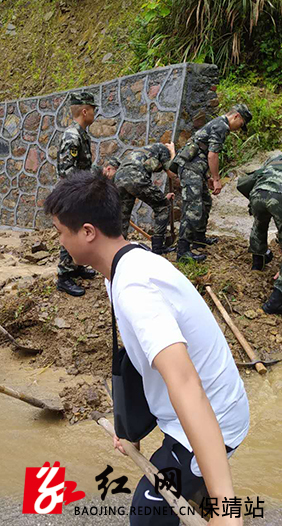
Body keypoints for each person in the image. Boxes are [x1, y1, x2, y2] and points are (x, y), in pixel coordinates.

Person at [44, 172, 249, 526]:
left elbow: (185, 383)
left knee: (147, 513)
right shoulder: (122, 266)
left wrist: (224, 507)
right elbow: (138, 361)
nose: (59, 241)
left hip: (212, 417)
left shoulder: (135, 287)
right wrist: (129, 428)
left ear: (88, 232)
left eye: (62, 232)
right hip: (191, 414)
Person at [172, 104, 252, 262]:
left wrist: (207, 176)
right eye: (241, 124)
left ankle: (199, 239)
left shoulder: (217, 124)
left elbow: (202, 151)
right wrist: (216, 179)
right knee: (193, 208)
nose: (238, 128)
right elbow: (212, 155)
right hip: (190, 170)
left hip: (196, 169)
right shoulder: (221, 126)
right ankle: (183, 252)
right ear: (236, 117)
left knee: (206, 202)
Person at [55, 91, 97, 297]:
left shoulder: (81, 134)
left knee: (80, 230)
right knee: (71, 231)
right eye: (93, 109)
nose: (94, 114)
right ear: (84, 110)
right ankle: (64, 277)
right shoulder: (72, 135)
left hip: (79, 190)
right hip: (72, 193)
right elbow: (66, 170)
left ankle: (76, 266)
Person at [113, 143, 176, 255]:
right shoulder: (164, 150)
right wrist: (172, 152)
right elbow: (172, 172)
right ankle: (158, 247)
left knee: (123, 214)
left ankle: (117, 250)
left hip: (119, 178)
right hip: (135, 176)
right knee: (163, 206)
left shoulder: (146, 150)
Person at [246, 153, 282, 314]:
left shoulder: (274, 157)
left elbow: (257, 175)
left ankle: (257, 262)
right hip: (279, 197)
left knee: (259, 225)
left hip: (257, 193)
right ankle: (274, 302)